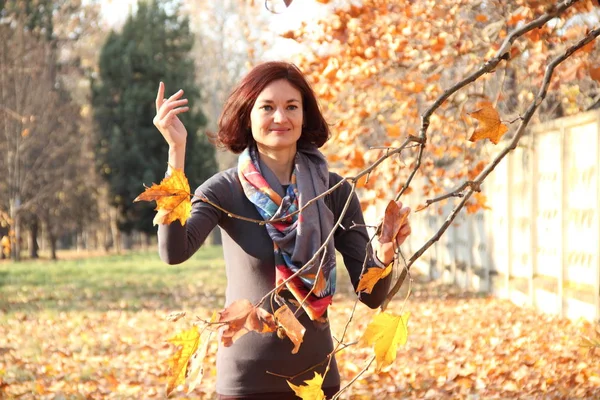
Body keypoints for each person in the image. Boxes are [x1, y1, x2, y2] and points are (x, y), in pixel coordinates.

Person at [155, 61, 411, 399]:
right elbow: (174, 252)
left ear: (305, 117)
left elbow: (372, 296)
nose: (281, 117)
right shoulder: (223, 190)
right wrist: (176, 152)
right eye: (267, 107)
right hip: (244, 385)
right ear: (248, 115)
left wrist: (385, 255)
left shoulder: (333, 192)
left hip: (317, 382)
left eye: (292, 106)